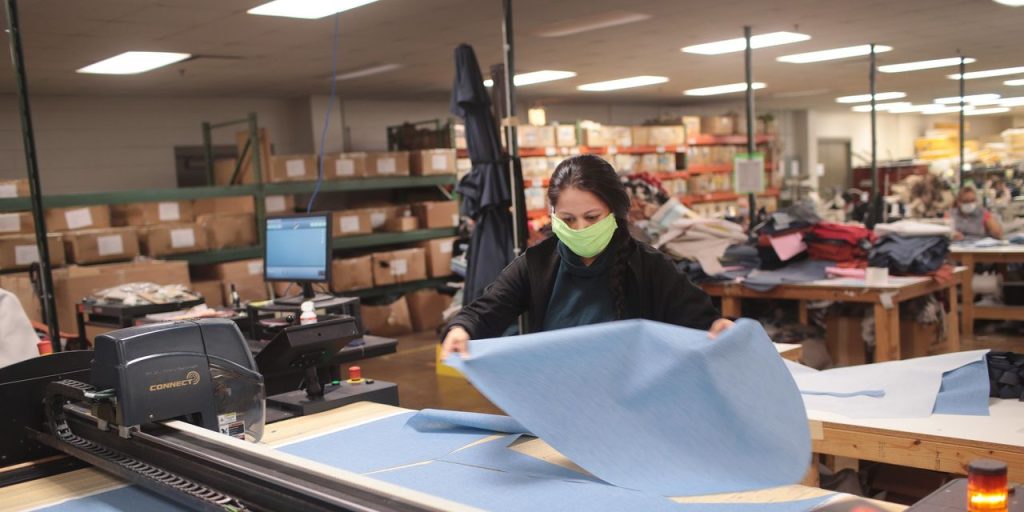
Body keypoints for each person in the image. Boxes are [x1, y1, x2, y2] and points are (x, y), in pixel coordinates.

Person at [441, 154, 734, 357]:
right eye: (568, 219)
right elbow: (486, 310)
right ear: (553, 215)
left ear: (615, 212)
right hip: (560, 394)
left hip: (633, 400)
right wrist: (461, 329)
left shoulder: (650, 266)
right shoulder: (536, 265)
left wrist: (717, 327)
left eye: (592, 217)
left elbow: (699, 318)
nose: (580, 229)